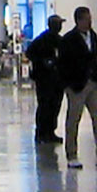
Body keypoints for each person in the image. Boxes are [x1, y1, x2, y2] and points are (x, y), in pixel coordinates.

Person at [55, 6, 97, 168]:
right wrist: (68, 83)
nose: (90, 22)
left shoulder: (93, 36)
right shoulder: (68, 39)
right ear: (79, 20)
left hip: (94, 82)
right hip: (76, 85)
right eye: (87, 19)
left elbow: (95, 57)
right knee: (73, 120)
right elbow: (62, 64)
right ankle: (72, 155)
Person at [24, 15, 67, 144]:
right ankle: (41, 133)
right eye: (58, 24)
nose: (60, 26)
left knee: (55, 105)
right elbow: (29, 53)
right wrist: (43, 62)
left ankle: (51, 131)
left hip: (57, 80)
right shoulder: (42, 39)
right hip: (44, 79)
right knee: (44, 105)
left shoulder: (60, 40)